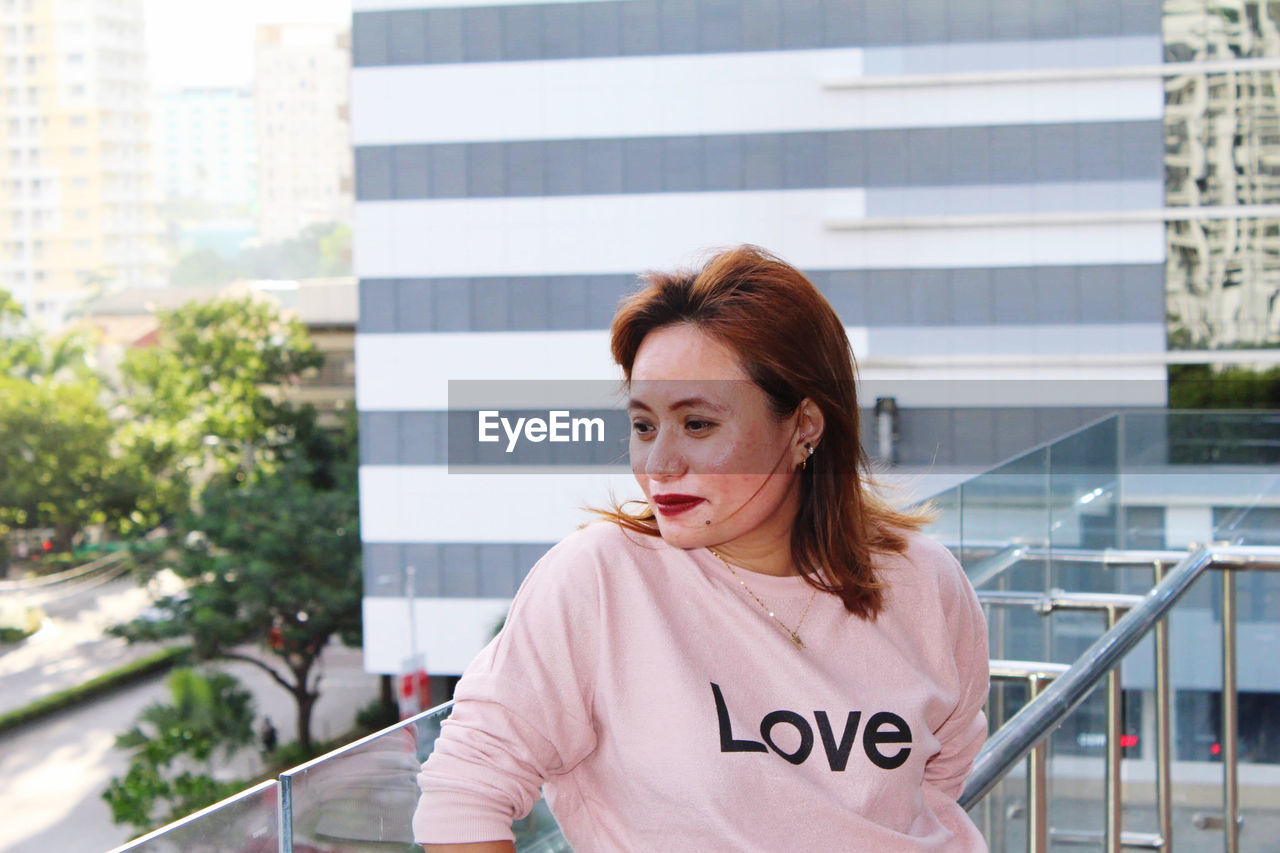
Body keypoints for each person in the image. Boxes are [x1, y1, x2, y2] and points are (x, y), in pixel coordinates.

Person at [413, 245, 990, 852]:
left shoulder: (922, 579)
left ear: (804, 427)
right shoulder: (601, 579)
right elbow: (462, 797)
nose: (659, 463)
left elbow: (937, 782)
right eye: (643, 426)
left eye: (697, 424)